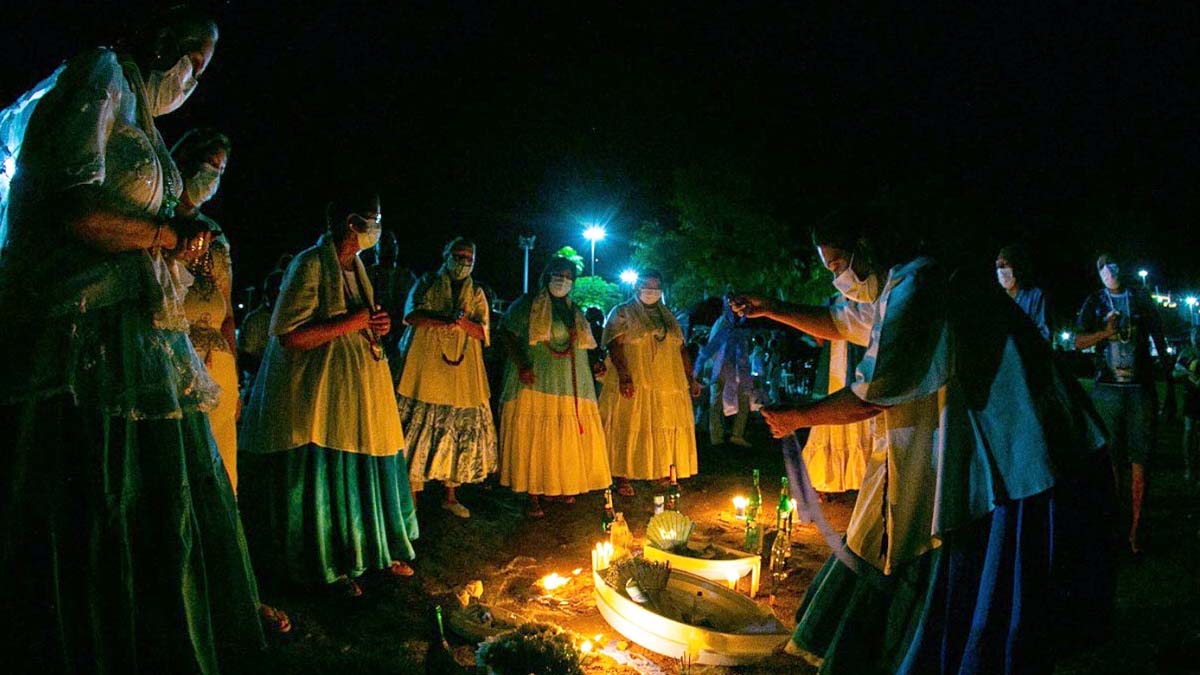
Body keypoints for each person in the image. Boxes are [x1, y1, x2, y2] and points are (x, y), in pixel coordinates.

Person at [0, 9, 277, 671]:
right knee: (95, 505)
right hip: (86, 340)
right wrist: (165, 237)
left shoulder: (135, 108)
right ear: (163, 41)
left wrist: (174, 246)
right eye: (194, 65)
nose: (190, 83)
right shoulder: (95, 75)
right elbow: (70, 205)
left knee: (157, 512)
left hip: (143, 337)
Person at [732, 205, 1113, 674]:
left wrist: (798, 417)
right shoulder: (893, 284)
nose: (838, 279)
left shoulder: (921, 283)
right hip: (973, 432)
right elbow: (840, 321)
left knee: (974, 554)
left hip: (1016, 437)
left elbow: (875, 394)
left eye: (838, 266)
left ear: (865, 248)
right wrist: (772, 308)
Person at [239, 188, 417, 598]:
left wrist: (376, 326)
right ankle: (328, 565)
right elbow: (288, 336)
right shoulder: (308, 264)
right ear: (352, 222)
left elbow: (358, 321)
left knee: (363, 468)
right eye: (372, 218)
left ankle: (370, 551)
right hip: (318, 398)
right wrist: (353, 322)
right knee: (324, 478)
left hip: (360, 393)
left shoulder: (357, 267)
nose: (377, 228)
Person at [497, 257, 612, 517]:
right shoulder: (527, 305)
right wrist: (522, 364)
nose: (563, 280)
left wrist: (596, 365)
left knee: (562, 436)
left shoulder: (574, 310)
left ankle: (557, 486)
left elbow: (583, 344)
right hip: (535, 382)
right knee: (534, 437)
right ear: (546, 275)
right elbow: (506, 333)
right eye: (558, 274)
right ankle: (533, 495)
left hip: (570, 385)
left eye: (568, 276)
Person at [395, 237, 497, 518]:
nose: (463, 262)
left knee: (455, 429)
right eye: (458, 255)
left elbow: (484, 332)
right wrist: (444, 320)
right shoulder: (427, 281)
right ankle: (413, 497)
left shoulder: (476, 292)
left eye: (469, 258)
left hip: (461, 375)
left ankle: (450, 496)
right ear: (446, 254)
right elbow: (411, 315)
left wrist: (462, 322)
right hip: (424, 369)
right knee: (417, 432)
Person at [1075, 254, 1167, 553]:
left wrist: (1165, 379)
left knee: (1141, 458)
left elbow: (1159, 336)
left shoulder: (1140, 298)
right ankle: (1114, 526)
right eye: (1103, 268)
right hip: (1107, 390)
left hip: (1140, 389)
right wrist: (1105, 332)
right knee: (1111, 460)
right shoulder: (1095, 302)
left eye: (1113, 266)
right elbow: (1077, 341)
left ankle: (1136, 529)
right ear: (1098, 274)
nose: (1109, 272)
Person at [174, 128, 241, 491]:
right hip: (176, 363)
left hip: (220, 368)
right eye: (208, 167)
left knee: (220, 465)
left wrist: (236, 382)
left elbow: (227, 314)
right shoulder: (157, 221)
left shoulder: (217, 236)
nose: (213, 179)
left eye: (221, 172)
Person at [598, 270, 702, 496]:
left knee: (662, 425)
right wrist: (625, 375)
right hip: (636, 379)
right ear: (636, 287)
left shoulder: (668, 316)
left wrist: (690, 378)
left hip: (667, 382)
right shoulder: (623, 312)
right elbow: (614, 345)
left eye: (656, 287)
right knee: (629, 423)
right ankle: (621, 474)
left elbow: (681, 349)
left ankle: (659, 471)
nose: (651, 291)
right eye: (647, 286)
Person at [692, 297, 757, 447]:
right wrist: (696, 372)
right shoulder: (723, 324)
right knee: (716, 403)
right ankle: (717, 437)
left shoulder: (741, 324)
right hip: (723, 368)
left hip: (739, 370)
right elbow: (710, 349)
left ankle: (736, 434)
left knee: (742, 401)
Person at [368, 228, 417, 382]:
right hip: (372, 336)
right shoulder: (368, 274)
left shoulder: (406, 276)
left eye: (391, 245)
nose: (388, 249)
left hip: (399, 338)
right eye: (383, 245)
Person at [995, 243, 1051, 339]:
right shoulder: (996, 298)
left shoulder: (1034, 295)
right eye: (998, 266)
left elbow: (1043, 334)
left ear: (1017, 267)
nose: (1000, 270)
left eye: (1005, 265)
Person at [237, 268, 283, 382]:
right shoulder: (255, 320)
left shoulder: (293, 318)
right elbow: (245, 356)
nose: (277, 295)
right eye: (274, 291)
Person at [1174, 328, 1200, 484]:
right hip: (1191, 398)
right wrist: (1187, 374)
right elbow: (1174, 374)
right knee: (1189, 432)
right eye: (1194, 334)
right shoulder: (1186, 353)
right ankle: (1189, 468)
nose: (1196, 337)